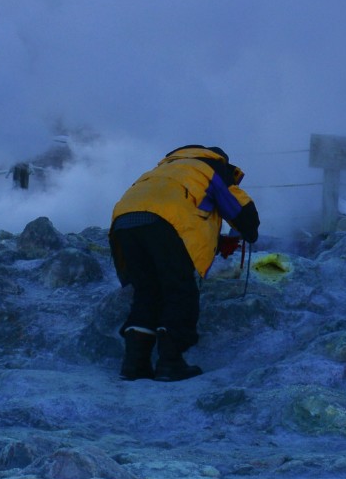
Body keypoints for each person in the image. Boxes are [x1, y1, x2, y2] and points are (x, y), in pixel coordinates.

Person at [108, 144, 259, 382]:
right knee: (180, 290)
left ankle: (135, 364)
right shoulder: (211, 168)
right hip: (165, 222)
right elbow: (238, 209)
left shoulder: (166, 169)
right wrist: (249, 232)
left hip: (125, 221)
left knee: (147, 291)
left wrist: (216, 242)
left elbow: (188, 213)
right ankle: (170, 363)